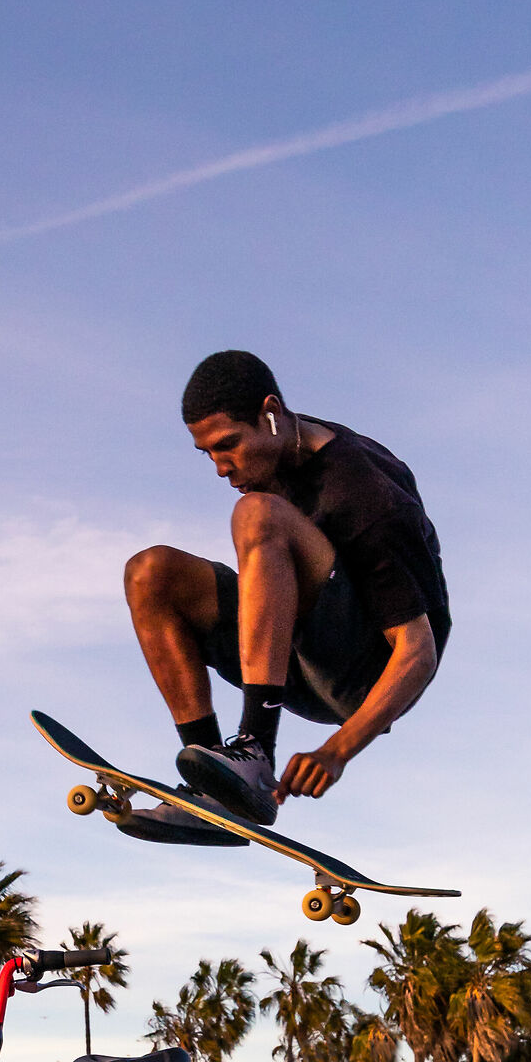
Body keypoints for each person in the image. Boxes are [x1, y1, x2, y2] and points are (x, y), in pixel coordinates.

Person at [121, 350, 451, 837]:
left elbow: (417, 653)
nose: (220, 467)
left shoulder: (363, 491)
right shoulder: (277, 452)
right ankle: (216, 793)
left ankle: (254, 750)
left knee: (258, 514)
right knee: (149, 574)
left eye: (228, 445)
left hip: (366, 675)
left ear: (270, 414)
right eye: (207, 452)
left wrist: (338, 750)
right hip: (294, 657)